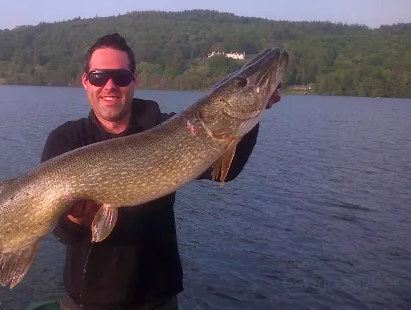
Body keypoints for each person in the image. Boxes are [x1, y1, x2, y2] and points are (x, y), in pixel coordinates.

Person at [40, 33, 282, 310]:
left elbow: (224, 172)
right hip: (87, 302)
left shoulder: (167, 127)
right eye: (98, 77)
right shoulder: (66, 140)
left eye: (120, 77)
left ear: (134, 80)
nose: (110, 86)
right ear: (86, 82)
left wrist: (250, 116)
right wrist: (78, 217)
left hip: (158, 300)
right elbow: (64, 233)